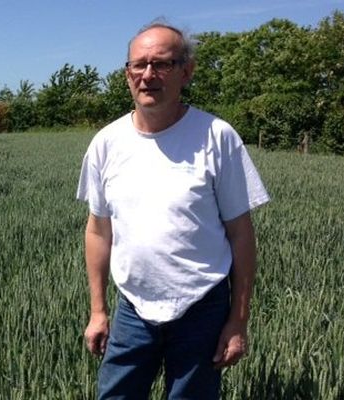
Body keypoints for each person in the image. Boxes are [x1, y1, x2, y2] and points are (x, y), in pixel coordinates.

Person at [76, 20, 270, 399]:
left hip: (202, 307)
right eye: (138, 64)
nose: (148, 75)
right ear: (127, 73)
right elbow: (98, 231)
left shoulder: (217, 137)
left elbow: (241, 234)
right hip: (132, 307)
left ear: (187, 71)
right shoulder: (106, 143)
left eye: (161, 64)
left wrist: (238, 321)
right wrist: (99, 311)